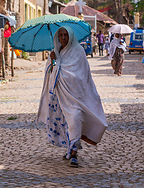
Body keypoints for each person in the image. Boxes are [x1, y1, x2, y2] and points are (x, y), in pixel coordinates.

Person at [37, 26, 107, 168]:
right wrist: (53, 61)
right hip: (60, 97)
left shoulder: (78, 52)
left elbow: (82, 75)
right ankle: (70, 149)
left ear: (71, 37)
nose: (63, 38)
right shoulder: (56, 52)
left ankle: (74, 153)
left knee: (75, 119)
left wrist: (63, 73)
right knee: (66, 124)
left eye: (66, 35)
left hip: (76, 96)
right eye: (61, 35)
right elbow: (52, 72)